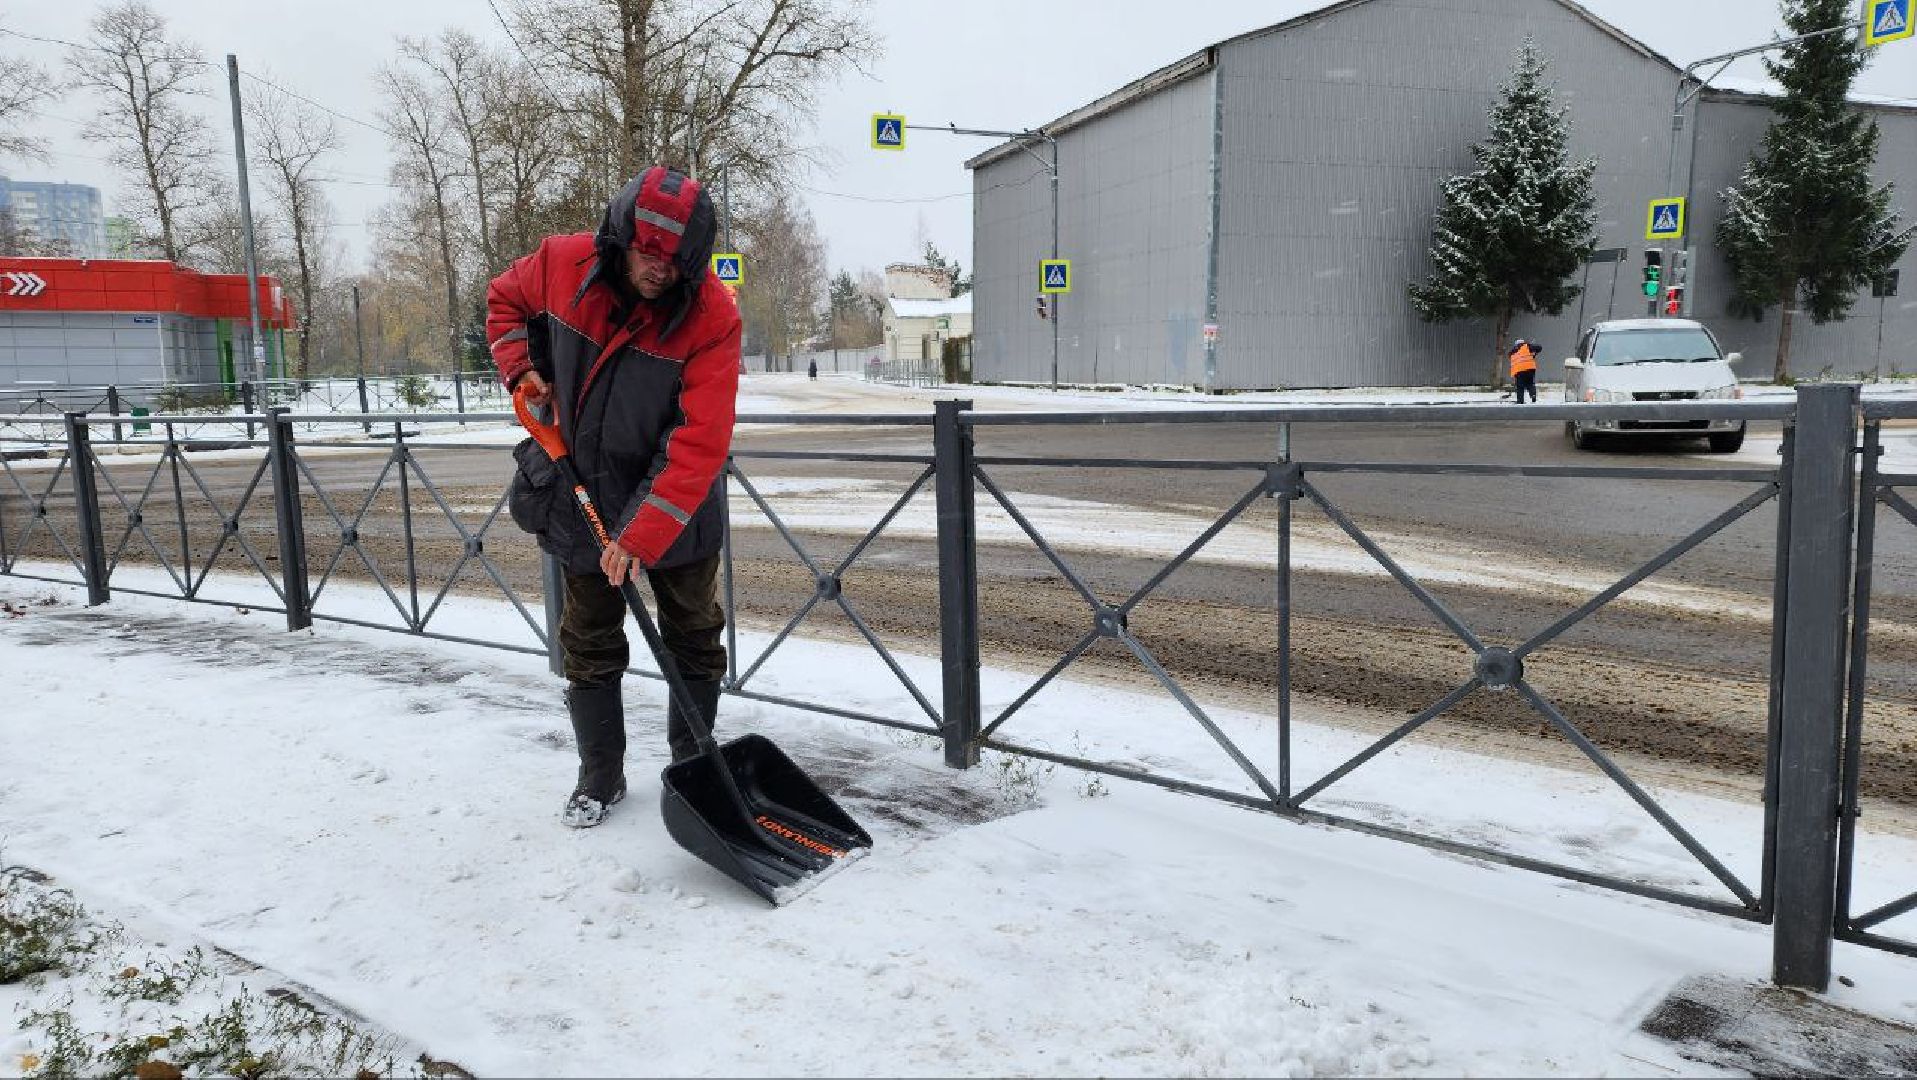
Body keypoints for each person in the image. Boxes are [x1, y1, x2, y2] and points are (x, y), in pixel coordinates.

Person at [489, 165, 741, 829]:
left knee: (693, 634)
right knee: (589, 638)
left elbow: (699, 440)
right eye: (646, 252)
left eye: (674, 259)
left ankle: (692, 769)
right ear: (620, 237)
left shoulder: (712, 317)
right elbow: (504, 302)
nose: (658, 269)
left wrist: (639, 534)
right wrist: (522, 368)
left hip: (674, 509)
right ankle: (599, 774)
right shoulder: (561, 264)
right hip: (580, 491)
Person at [1508, 338, 1539, 404]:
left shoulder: (1512, 352)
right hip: (1530, 369)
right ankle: (1533, 394)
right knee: (1530, 383)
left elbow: (1514, 357)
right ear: (1523, 343)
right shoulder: (1527, 346)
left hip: (1518, 371)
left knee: (1520, 387)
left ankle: (1520, 400)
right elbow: (1539, 348)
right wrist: (1534, 352)